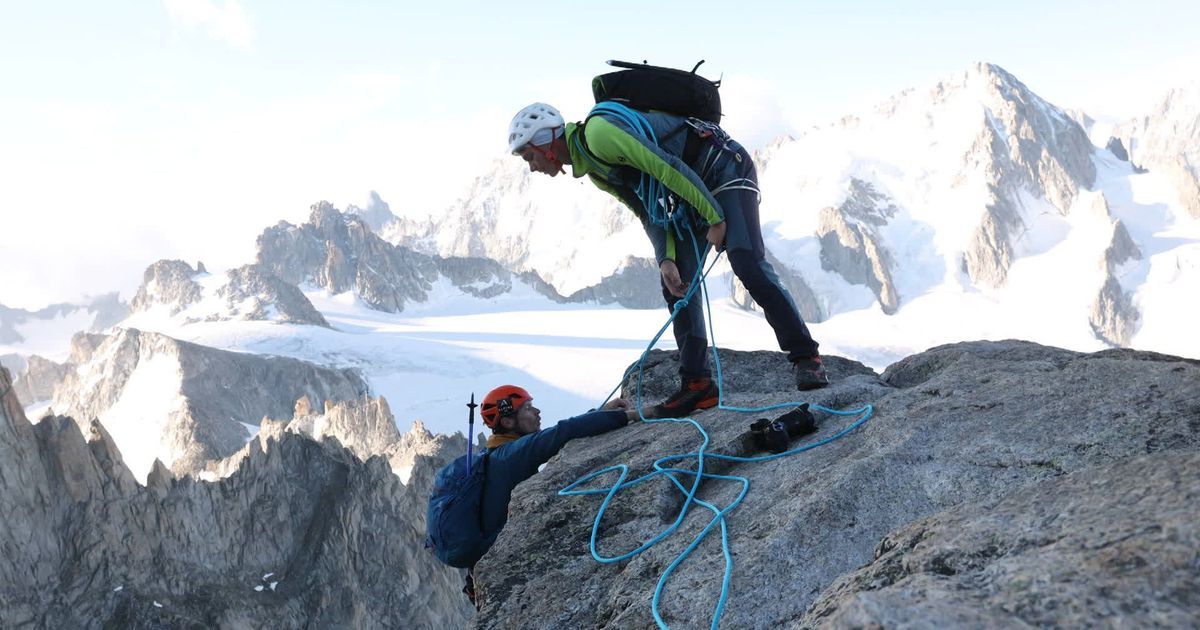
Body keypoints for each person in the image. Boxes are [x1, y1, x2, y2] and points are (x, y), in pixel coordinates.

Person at [506, 102, 829, 418]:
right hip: (691, 190)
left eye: (529, 156)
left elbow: (666, 167)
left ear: (547, 142)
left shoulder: (599, 135)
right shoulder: (595, 170)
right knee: (677, 283)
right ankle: (697, 384)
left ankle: (806, 357)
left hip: (723, 167)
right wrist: (666, 258)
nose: (532, 167)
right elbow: (646, 209)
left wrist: (714, 218)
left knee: (745, 260)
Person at [461, 384, 646, 604]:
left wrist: (600, 413)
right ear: (508, 422)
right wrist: (628, 416)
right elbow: (562, 433)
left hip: (484, 570)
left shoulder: (499, 453)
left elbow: (554, 434)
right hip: (500, 567)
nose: (537, 411)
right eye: (528, 408)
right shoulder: (513, 455)